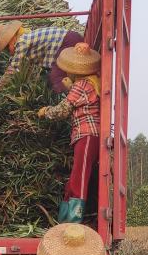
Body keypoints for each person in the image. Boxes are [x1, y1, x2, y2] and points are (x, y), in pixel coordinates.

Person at [37, 43, 101, 224]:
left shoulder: (82, 84)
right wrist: (69, 88)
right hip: (87, 136)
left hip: (87, 135)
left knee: (79, 176)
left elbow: (62, 111)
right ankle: (66, 219)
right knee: (77, 175)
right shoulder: (90, 82)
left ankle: (73, 220)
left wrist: (46, 111)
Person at [0, 21, 85, 93]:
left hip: (67, 42)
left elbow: (13, 69)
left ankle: (69, 102)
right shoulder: (28, 38)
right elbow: (28, 68)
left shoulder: (22, 42)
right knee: (55, 76)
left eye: (7, 47)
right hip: (70, 39)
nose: (8, 51)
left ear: (11, 40)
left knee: (56, 77)